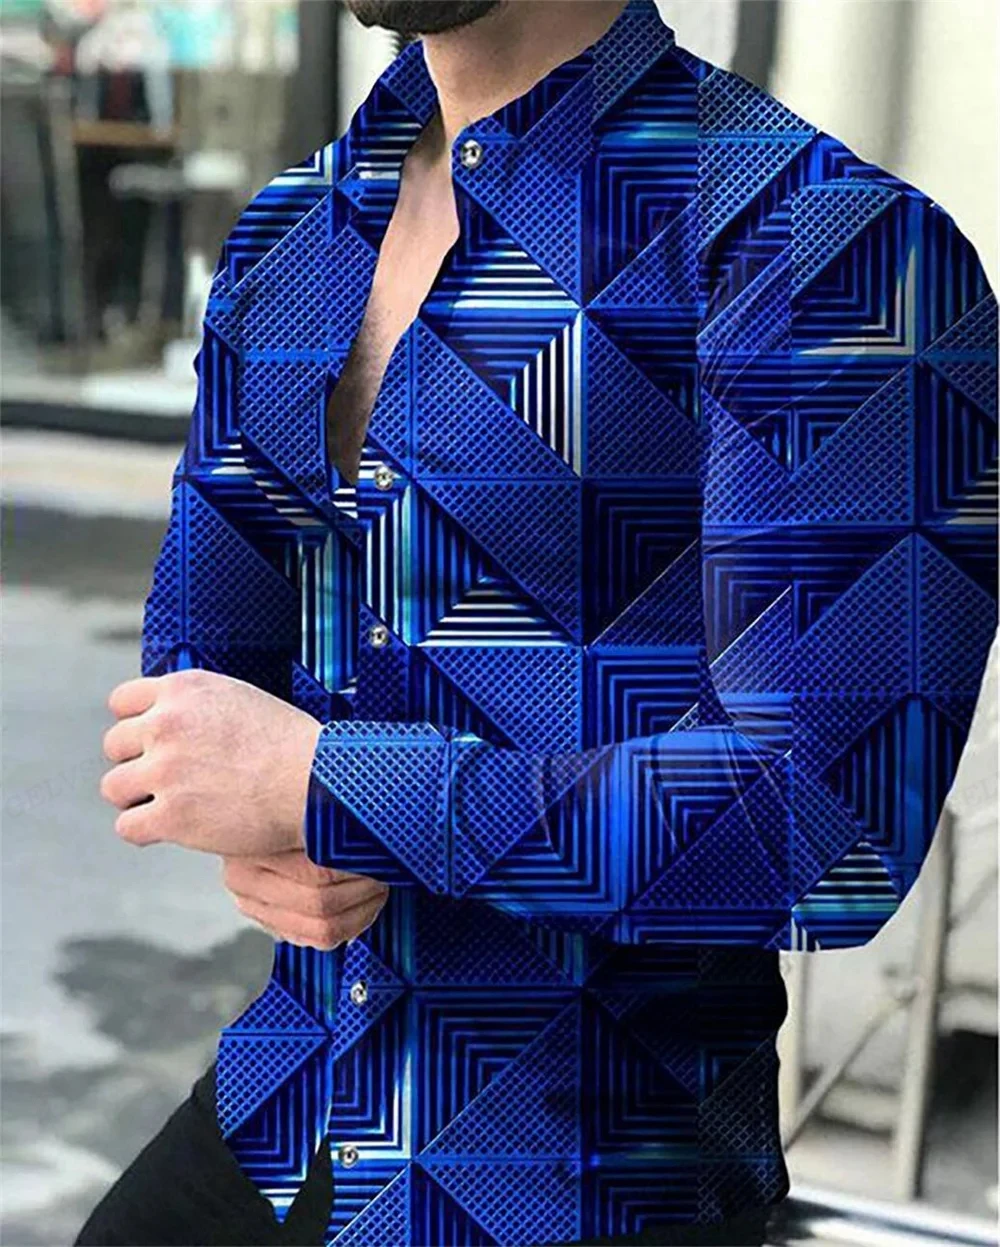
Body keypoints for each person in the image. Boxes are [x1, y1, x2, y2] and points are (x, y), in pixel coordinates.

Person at [79, 1, 999, 1244]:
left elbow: (817, 825)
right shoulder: (299, 226)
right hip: (293, 1093)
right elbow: (206, 654)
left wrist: (330, 787)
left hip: (581, 1166)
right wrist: (262, 813)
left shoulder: (823, 243)